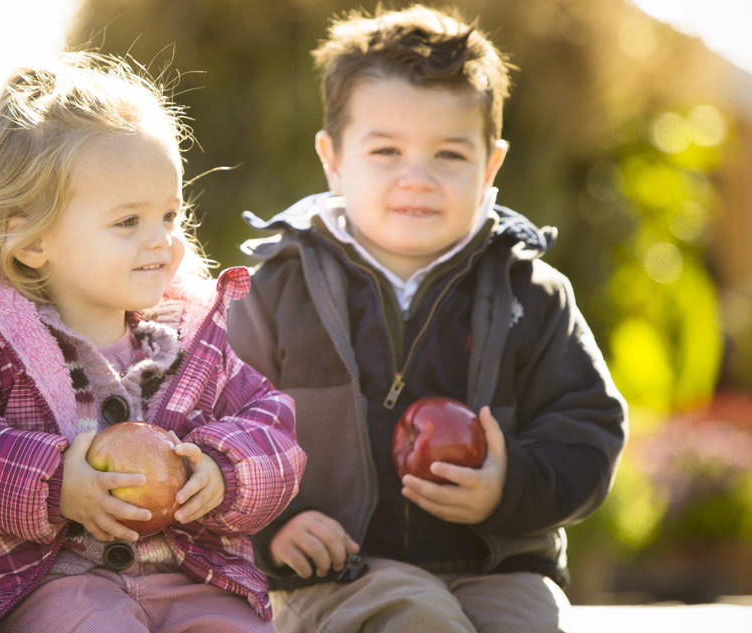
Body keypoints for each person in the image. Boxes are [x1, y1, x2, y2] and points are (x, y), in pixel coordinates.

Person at [227, 5, 627, 632]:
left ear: (491, 166)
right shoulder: (277, 290)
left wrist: (509, 486)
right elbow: (214, 425)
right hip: (340, 572)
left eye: (448, 154)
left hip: (499, 565)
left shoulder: (533, 292)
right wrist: (274, 526)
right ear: (333, 158)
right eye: (385, 150)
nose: (417, 177)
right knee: (418, 618)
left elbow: (591, 430)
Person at [0, 52, 306, 633]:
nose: (162, 240)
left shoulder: (186, 342)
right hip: (41, 583)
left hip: (186, 576)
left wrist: (224, 468)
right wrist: (55, 484)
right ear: (32, 240)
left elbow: (273, 426)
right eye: (127, 222)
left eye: (170, 215)